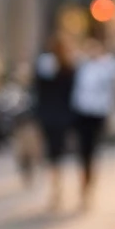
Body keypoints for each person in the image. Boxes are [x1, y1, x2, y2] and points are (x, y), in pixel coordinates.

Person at [70, 38, 115, 209]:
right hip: (81, 113)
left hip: (98, 113)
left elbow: (114, 91)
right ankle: (83, 187)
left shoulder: (108, 66)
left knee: (91, 152)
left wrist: (112, 114)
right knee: (83, 152)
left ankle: (88, 188)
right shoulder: (82, 66)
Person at [34, 34, 75, 212]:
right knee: (57, 152)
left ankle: (55, 188)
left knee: (52, 153)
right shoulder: (69, 67)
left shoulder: (44, 66)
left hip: (47, 115)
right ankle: (56, 188)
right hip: (63, 115)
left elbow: (36, 89)